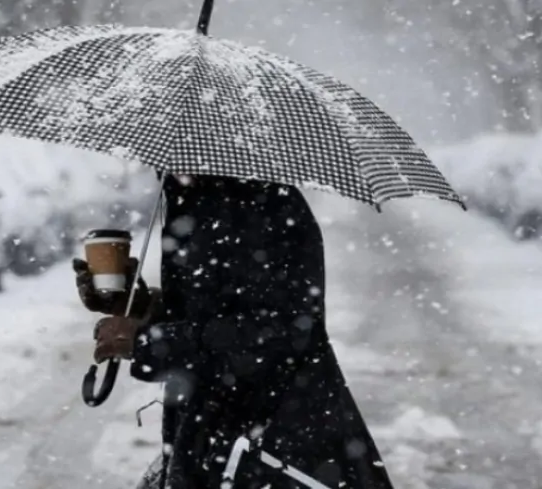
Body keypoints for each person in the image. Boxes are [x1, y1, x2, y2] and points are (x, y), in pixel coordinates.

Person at [73, 175, 394, 489]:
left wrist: (151, 343)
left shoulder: (262, 206)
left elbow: (281, 332)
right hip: (211, 435)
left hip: (269, 438)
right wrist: (137, 304)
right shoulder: (196, 198)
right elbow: (210, 310)